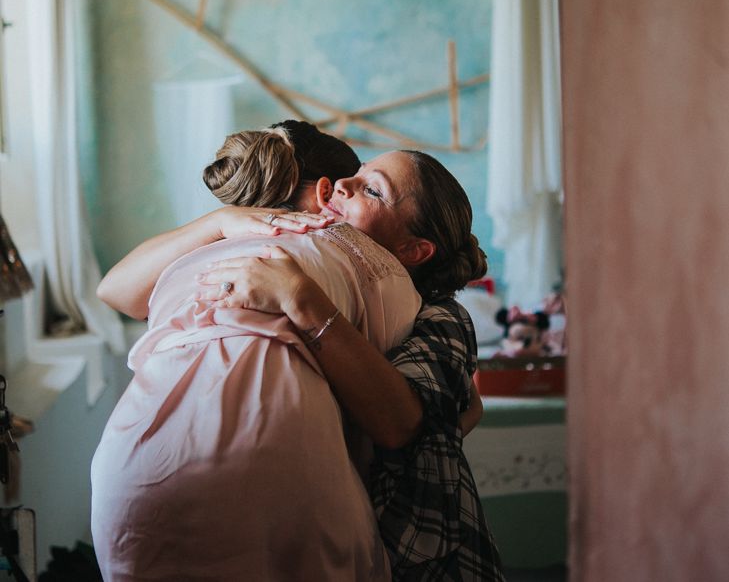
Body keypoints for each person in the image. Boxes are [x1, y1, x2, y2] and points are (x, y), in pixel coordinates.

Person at [96, 121, 503, 581]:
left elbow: (409, 420)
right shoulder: (299, 246)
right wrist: (217, 222)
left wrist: (301, 299)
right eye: (357, 172)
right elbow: (114, 290)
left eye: (371, 189)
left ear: (414, 249)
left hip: (417, 547)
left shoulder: (432, 313)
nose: (343, 186)